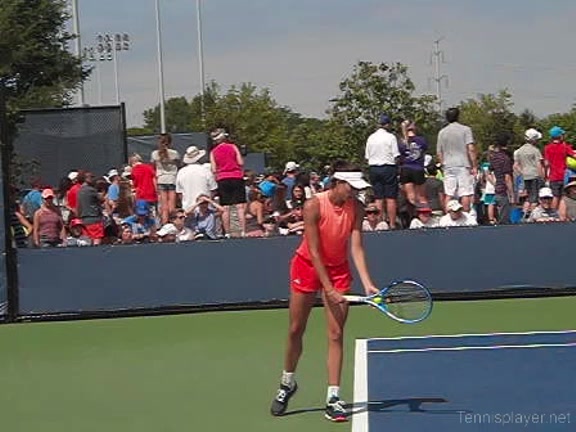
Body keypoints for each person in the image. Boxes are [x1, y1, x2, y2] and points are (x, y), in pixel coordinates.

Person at [270, 161, 379, 423]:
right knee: (296, 329)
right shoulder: (313, 205)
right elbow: (315, 250)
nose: (354, 192)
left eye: (357, 188)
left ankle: (333, 397)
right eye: (350, 187)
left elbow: (356, 247)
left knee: (336, 333)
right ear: (337, 183)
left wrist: (367, 282)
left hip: (339, 269)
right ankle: (287, 383)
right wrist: (328, 289)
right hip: (307, 265)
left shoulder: (357, 208)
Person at [436, 107, 478, 212]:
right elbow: (471, 148)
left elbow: (439, 152)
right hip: (462, 164)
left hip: (448, 165)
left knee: (449, 193)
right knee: (465, 192)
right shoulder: (465, 130)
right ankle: (466, 214)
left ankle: (448, 215)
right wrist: (474, 165)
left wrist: (442, 164)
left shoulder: (442, 132)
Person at [209, 128, 246, 237]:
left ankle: (228, 232)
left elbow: (214, 169)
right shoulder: (233, 147)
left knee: (225, 207)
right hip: (236, 176)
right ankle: (243, 231)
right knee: (240, 206)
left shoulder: (213, 152)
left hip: (222, 178)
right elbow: (240, 162)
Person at [365, 114, 400, 228]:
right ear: (387, 124)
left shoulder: (371, 137)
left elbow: (367, 157)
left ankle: (379, 223)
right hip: (388, 166)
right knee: (390, 197)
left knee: (378, 197)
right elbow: (396, 155)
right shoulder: (391, 137)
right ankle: (392, 224)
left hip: (374, 167)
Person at [151, 133, 180, 224]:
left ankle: (164, 224)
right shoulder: (174, 153)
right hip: (172, 179)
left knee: (164, 206)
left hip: (161, 179)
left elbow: (153, 166)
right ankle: (173, 223)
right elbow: (178, 164)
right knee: (172, 205)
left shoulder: (155, 154)